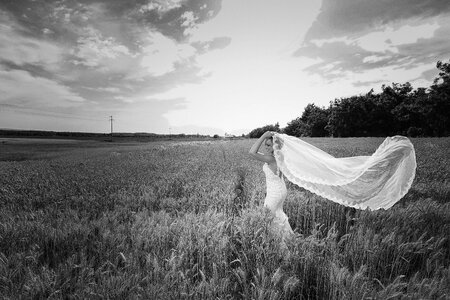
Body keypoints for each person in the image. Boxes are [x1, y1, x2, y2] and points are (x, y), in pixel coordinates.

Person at [248, 131, 294, 238]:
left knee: (268, 219)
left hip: (275, 193)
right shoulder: (279, 157)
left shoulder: (270, 159)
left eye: (269, 145)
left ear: (275, 146)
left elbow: (251, 152)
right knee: (278, 214)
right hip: (281, 190)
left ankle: (281, 248)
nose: (266, 148)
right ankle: (289, 240)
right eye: (265, 145)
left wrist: (263, 135)